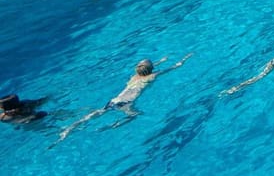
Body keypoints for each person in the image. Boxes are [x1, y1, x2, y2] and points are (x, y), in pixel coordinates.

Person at [58, 55, 192, 139]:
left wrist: (159, 61)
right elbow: (174, 67)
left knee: (96, 113)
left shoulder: (134, 76)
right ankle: (112, 126)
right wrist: (184, 59)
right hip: (127, 103)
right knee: (134, 116)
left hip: (114, 100)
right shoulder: (152, 76)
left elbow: (144, 68)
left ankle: (70, 128)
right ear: (151, 69)